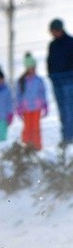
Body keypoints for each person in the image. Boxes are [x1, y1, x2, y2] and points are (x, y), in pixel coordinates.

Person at [47, 18, 73, 150]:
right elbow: (50, 62)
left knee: (69, 111)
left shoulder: (70, 42)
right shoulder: (53, 45)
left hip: (68, 81)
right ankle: (65, 138)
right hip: (57, 82)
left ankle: (70, 139)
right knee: (63, 112)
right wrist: (52, 75)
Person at [15, 52, 48, 151]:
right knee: (27, 128)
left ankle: (37, 146)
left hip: (37, 108)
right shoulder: (21, 81)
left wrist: (45, 104)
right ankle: (26, 146)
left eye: (34, 67)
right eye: (31, 67)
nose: (33, 69)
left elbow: (43, 93)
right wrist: (19, 107)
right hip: (26, 108)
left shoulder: (39, 80)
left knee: (36, 128)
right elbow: (18, 95)